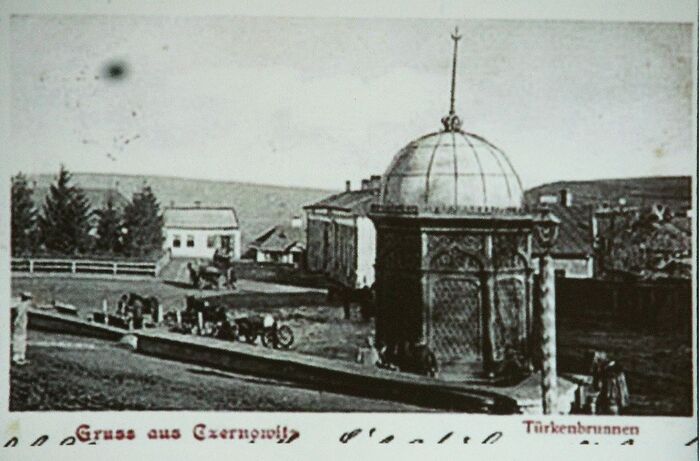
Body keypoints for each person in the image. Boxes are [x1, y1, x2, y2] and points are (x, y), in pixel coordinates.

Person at [12, 292, 32, 366]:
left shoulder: (19, 304)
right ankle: (18, 357)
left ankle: (20, 357)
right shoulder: (24, 304)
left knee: (19, 338)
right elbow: (20, 314)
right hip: (20, 324)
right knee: (20, 339)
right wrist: (16, 320)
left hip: (20, 324)